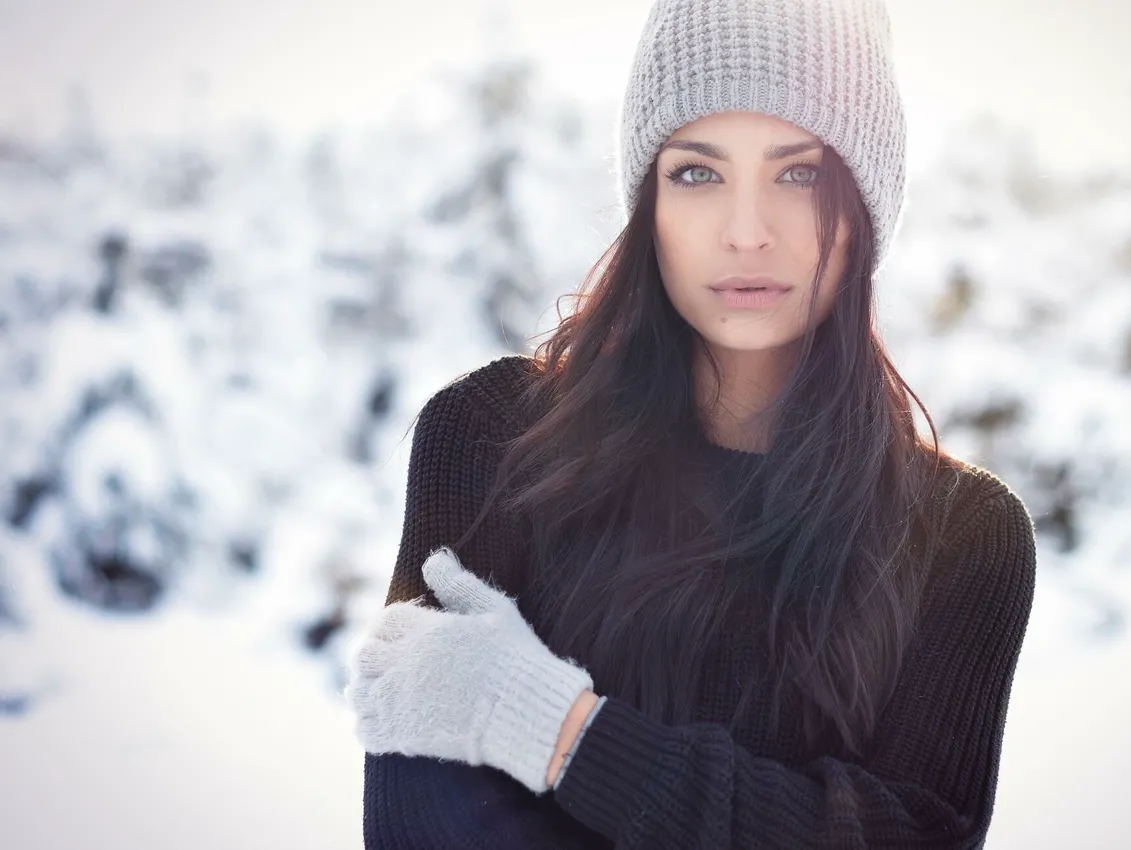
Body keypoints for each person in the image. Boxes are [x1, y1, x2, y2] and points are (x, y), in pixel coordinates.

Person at [343, 0, 1039, 847]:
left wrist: (559, 731)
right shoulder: (488, 441)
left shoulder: (964, 535)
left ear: (865, 208)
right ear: (650, 204)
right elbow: (422, 821)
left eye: (801, 173)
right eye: (698, 173)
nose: (747, 233)